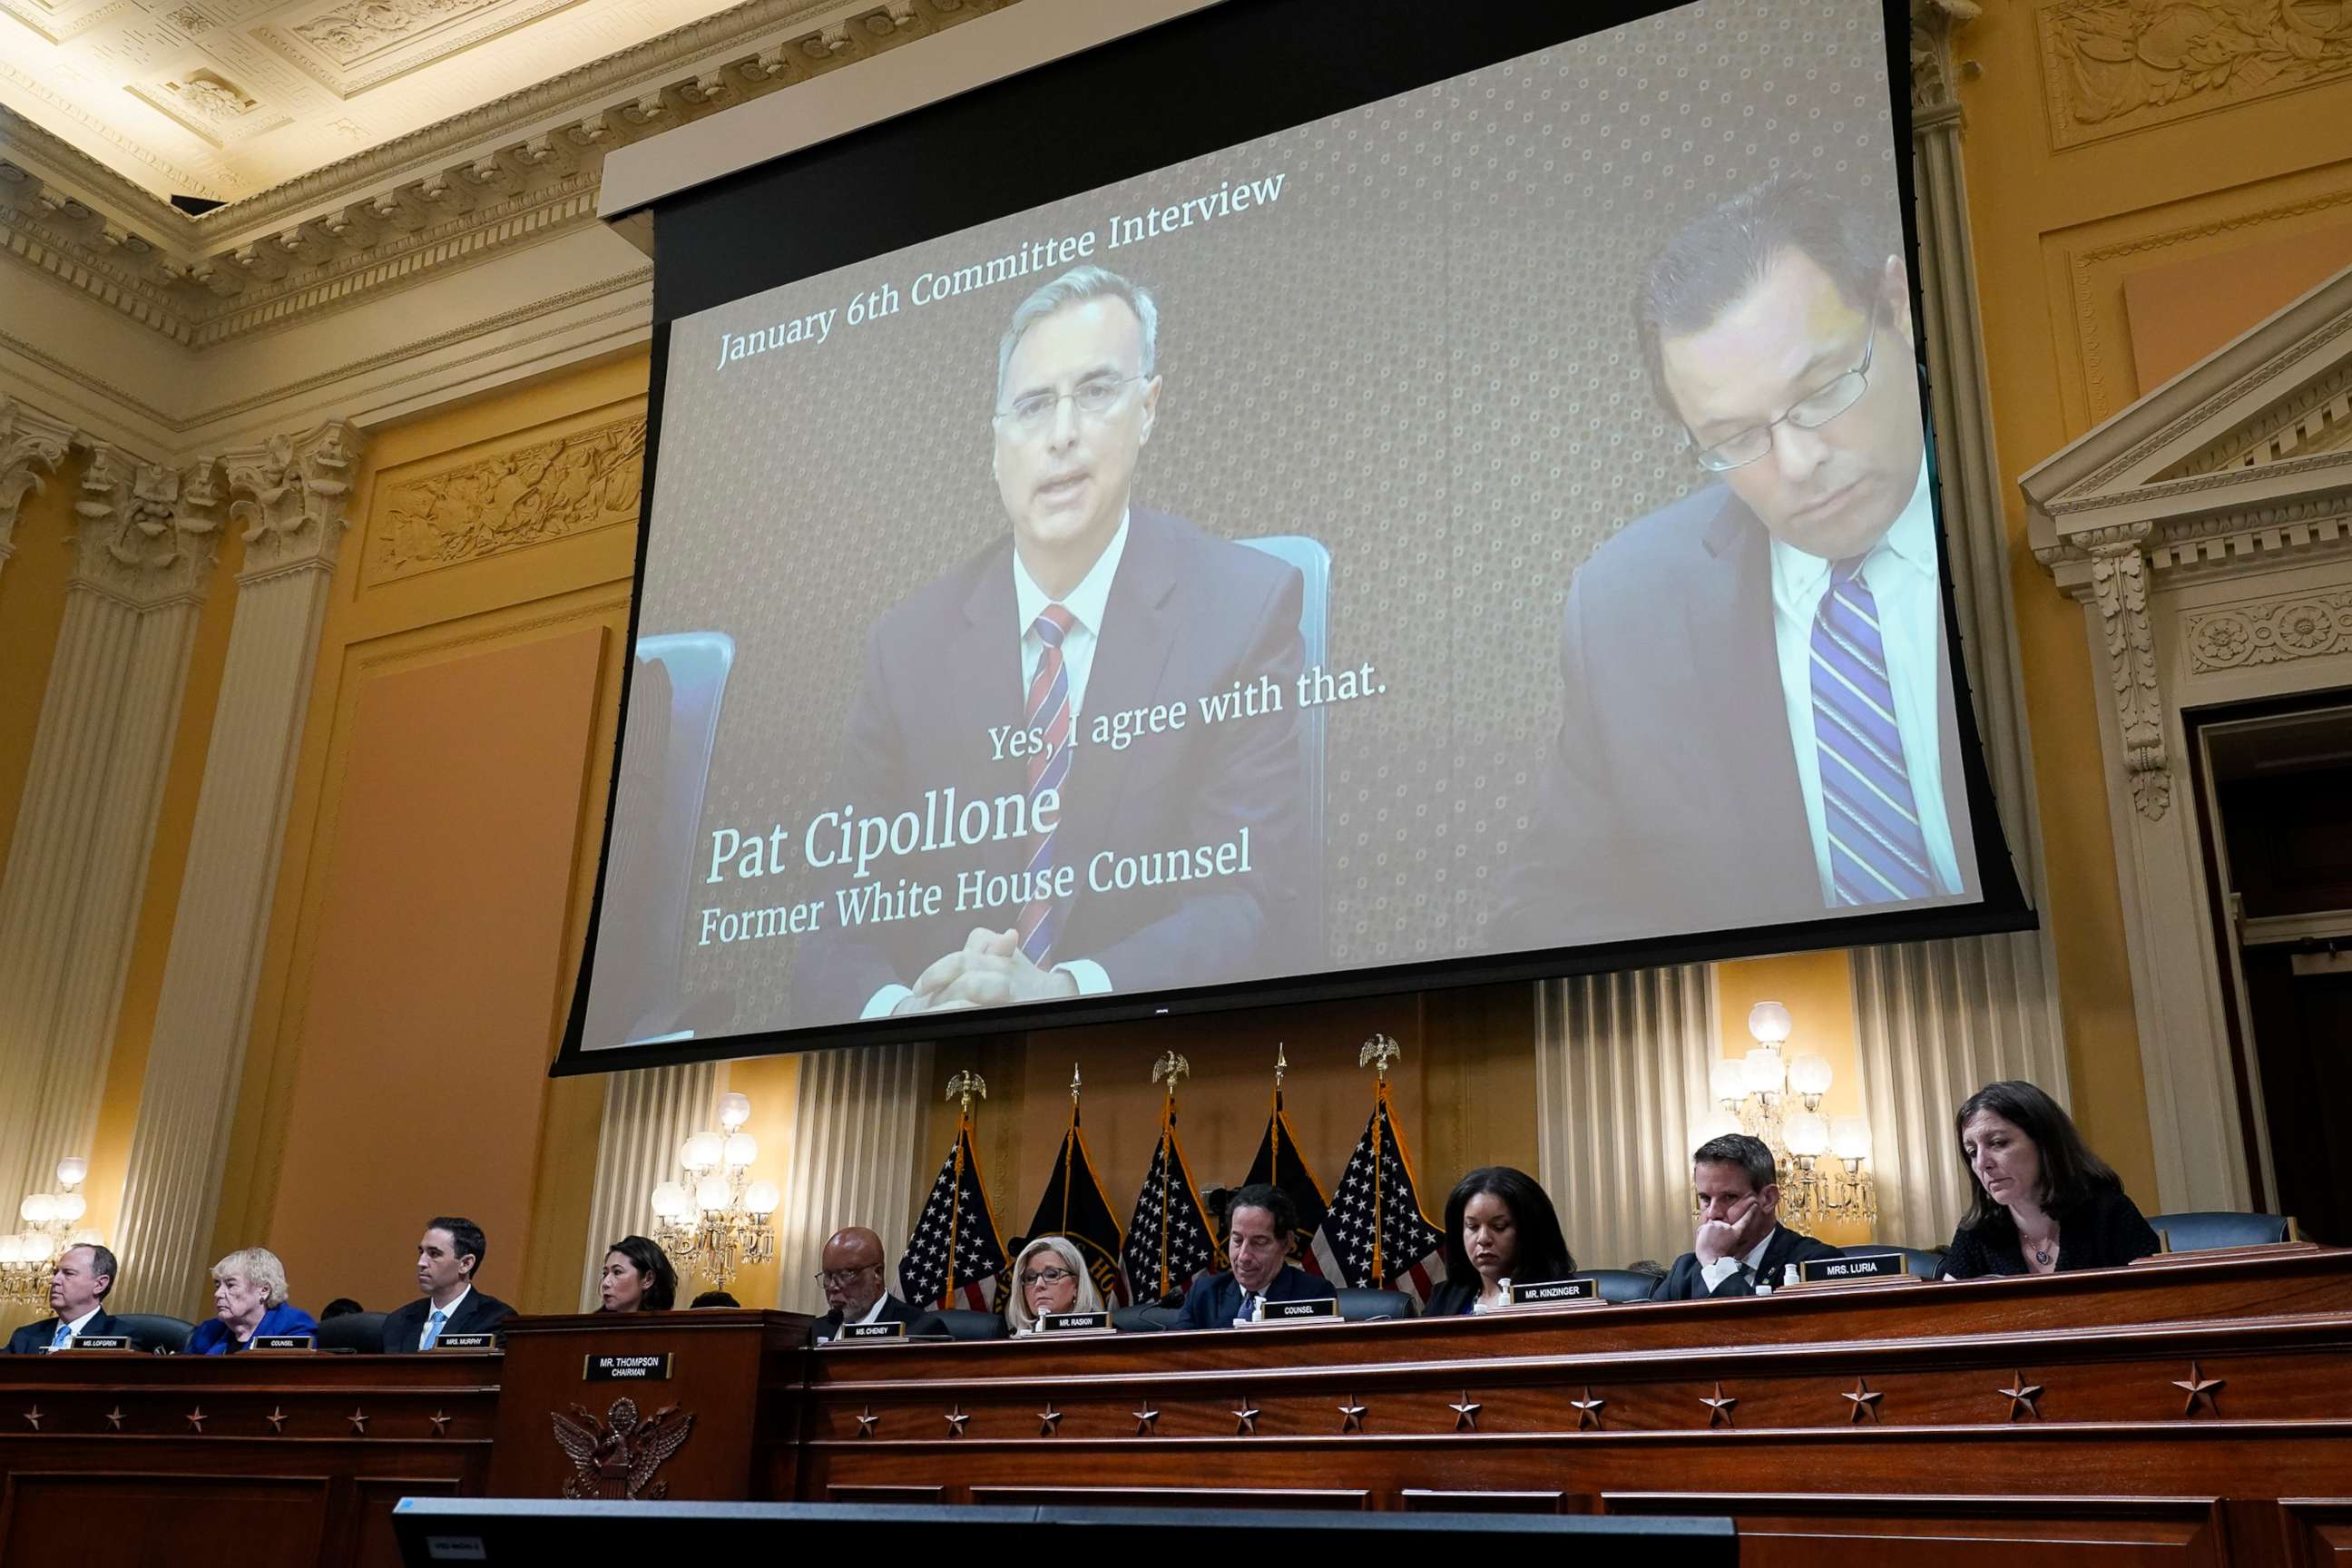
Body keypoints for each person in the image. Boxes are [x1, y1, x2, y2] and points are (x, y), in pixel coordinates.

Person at [790, 263, 1311, 1025]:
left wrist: (1063, 992)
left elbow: (1246, 901)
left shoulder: (1245, 608)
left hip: (1154, 1062)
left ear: (1148, 409)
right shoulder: (905, 648)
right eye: (1033, 406)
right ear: (997, 441)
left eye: (1096, 393)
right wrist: (904, 1009)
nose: (1062, 434)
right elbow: (831, 924)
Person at [1500, 173, 1976, 950]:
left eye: (1823, 391)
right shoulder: (1628, 609)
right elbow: (1551, 907)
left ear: (1897, 306)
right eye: (1734, 439)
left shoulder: (2031, 487)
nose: (1795, 462)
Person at [1941, 1080, 2161, 1278]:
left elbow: (2161, 1302)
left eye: (1998, 1143)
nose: (1981, 1163)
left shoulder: (2109, 1213)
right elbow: (1941, 1313)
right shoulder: (1978, 1230)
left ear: (2045, 1144)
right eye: (1971, 1151)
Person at [1650, 1133, 1843, 1299]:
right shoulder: (1685, 1270)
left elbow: (1768, 1336)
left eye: (1729, 1197)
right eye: (1706, 1199)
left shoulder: (1815, 1262)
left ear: (1768, 1199)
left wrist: (1715, 1262)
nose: (1713, 1214)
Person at [1175, 1183, 1338, 1329]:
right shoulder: (1204, 1294)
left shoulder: (1314, 1295)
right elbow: (1177, 1356)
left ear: (1287, 1243)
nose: (1244, 1256)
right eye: (1237, 1240)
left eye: (1259, 1242)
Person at [1424, 1167, 1578, 1316]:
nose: (1483, 1238)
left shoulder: (1564, 1295)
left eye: (1499, 1226)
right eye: (1472, 1226)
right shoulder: (1443, 1298)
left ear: (1530, 1230)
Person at [380, 1216, 514, 1352]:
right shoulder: (398, 1321)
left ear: (465, 1264)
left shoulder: (495, 1320)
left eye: (434, 1254)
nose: (421, 1263)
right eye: (422, 1252)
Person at [188, 1247, 317, 1353]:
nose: (218, 1294)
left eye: (230, 1285)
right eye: (217, 1285)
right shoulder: (209, 1330)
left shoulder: (293, 1326)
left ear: (264, 1290)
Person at [808, 1225, 922, 1343]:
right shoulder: (816, 1330)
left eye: (845, 1274)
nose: (832, 1286)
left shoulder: (917, 1329)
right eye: (828, 1276)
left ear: (877, 1274)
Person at [4, 1242, 120, 1353]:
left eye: (68, 1273)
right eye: (55, 1273)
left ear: (99, 1285)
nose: (55, 1280)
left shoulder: (121, 1337)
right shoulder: (25, 1336)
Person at [1004, 1234, 1104, 1335]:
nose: (1039, 1285)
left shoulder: (1107, 1339)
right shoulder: (1007, 1344)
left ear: (1077, 1286)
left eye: (1052, 1275)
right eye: (1030, 1278)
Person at [598, 1235, 678, 1313]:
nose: (605, 1283)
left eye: (617, 1272)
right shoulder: (590, 1325)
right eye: (605, 1274)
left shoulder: (666, 1325)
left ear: (648, 1279)